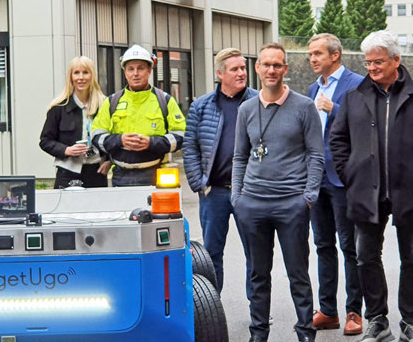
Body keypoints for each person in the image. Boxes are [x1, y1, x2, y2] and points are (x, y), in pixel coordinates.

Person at [328, 30, 413, 342]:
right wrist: (351, 174)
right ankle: (377, 321)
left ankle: (411, 323)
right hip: (366, 192)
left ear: (396, 60)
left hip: (412, 192)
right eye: (368, 63)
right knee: (365, 257)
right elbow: (338, 140)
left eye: (378, 61)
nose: (372, 68)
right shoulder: (353, 98)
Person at [231, 42, 324, 342]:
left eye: (277, 65)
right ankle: (258, 336)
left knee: (298, 272)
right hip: (252, 204)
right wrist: (237, 198)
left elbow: (316, 154)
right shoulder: (246, 109)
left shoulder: (304, 107)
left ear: (285, 70)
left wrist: (308, 196)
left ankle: (306, 336)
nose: (271, 70)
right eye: (266, 64)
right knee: (257, 272)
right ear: (257, 68)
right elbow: (240, 156)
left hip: (291, 204)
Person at [182, 48, 258, 292]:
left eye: (243, 68)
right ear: (220, 74)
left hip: (250, 192)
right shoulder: (202, 106)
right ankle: (212, 307)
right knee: (211, 254)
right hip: (214, 192)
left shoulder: (259, 101)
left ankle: (258, 311)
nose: (241, 73)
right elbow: (190, 146)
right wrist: (199, 184)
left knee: (256, 254)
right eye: (235, 69)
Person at [306, 32, 365, 334]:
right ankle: (327, 310)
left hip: (343, 179)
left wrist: (335, 109)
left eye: (318, 53)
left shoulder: (356, 85)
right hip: (317, 180)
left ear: (335, 55)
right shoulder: (312, 88)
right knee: (323, 245)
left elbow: (366, 124)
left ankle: (355, 311)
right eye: (311, 54)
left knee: (349, 247)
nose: (313, 59)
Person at [92, 44, 185, 186]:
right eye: (130, 69)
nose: (135, 73)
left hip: (157, 174)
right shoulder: (111, 102)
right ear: (125, 72)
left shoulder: (165, 101)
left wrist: (151, 143)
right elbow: (96, 135)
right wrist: (120, 140)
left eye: (140, 68)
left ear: (149, 70)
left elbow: (181, 135)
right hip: (121, 176)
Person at [39, 55, 109, 188]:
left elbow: (113, 136)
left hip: (97, 172)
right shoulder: (58, 107)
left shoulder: (105, 105)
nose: (81, 77)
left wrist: (109, 161)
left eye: (85, 72)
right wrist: (66, 150)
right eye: (76, 73)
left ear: (92, 76)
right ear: (71, 77)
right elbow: (45, 141)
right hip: (68, 172)